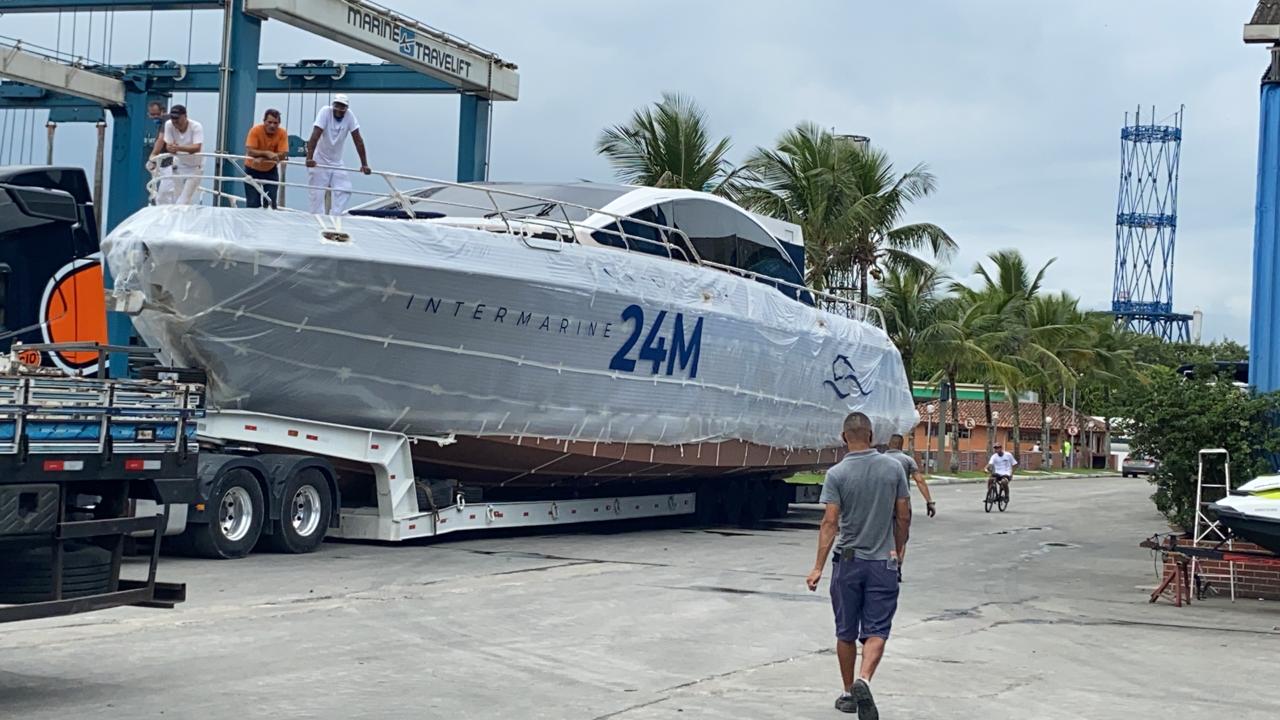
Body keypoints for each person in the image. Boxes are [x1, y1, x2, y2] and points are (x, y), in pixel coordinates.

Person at [807, 412, 911, 717]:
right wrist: (899, 549)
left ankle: (847, 691)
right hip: (883, 562)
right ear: (871, 436)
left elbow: (829, 522)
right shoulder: (893, 468)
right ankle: (864, 679)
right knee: (877, 629)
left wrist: (817, 567)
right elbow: (903, 514)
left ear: (843, 438)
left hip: (848, 563)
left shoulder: (836, 474)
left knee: (846, 631)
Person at [304, 93, 370, 215]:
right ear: (333, 105)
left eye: (343, 107)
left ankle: (335, 217)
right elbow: (315, 135)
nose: (339, 109)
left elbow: (358, 140)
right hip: (320, 160)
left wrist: (364, 164)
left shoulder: (349, 116)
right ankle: (316, 219)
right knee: (316, 195)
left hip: (336, 161)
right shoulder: (325, 112)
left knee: (345, 188)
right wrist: (309, 158)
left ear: (346, 108)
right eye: (337, 106)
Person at [148, 104, 204, 205]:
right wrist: (154, 157)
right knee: (170, 197)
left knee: (183, 201)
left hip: (195, 166)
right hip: (178, 165)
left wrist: (178, 148)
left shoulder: (196, 126)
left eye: (178, 119)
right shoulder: (169, 124)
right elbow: (169, 146)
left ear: (185, 116)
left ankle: (184, 217)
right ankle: (172, 219)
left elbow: (196, 147)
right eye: (173, 119)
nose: (175, 122)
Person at [244, 108, 289, 209]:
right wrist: (268, 154)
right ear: (264, 121)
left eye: (275, 123)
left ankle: (268, 223)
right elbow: (250, 151)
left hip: (270, 170)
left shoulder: (282, 133)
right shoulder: (255, 130)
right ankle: (253, 223)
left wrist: (262, 157)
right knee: (252, 203)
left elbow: (283, 154)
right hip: (252, 169)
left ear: (279, 124)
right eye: (269, 122)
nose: (272, 125)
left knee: (271, 201)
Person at [885, 434, 935, 518]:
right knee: (902, 529)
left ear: (888, 444)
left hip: (883, 503)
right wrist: (929, 502)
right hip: (903, 503)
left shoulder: (878, 460)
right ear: (901, 445)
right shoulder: (908, 460)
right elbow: (920, 481)